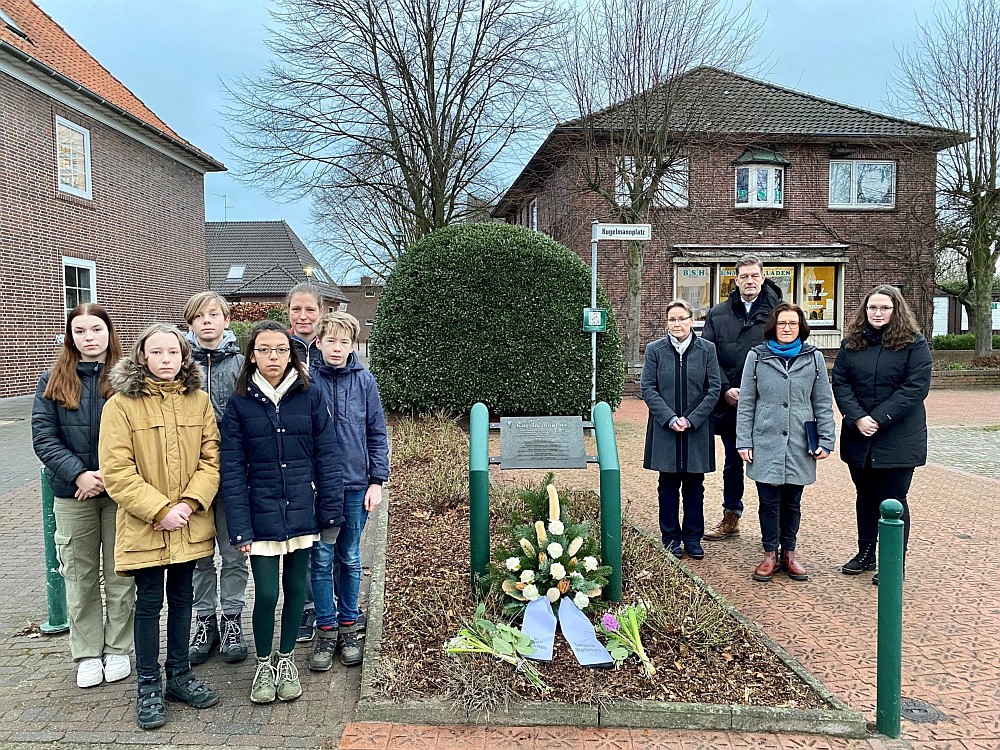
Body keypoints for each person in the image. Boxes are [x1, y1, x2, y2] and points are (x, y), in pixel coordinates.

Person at [99, 324, 220, 730]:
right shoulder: (120, 405)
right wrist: (159, 510)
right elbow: (116, 471)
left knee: (183, 597)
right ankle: (149, 684)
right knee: (149, 603)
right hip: (147, 525)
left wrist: (187, 504)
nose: (166, 360)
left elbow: (211, 459)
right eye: (158, 353)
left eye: (174, 352)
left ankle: (180, 675)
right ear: (143, 357)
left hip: (188, 521)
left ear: (184, 357)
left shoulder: (198, 402)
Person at [220, 321, 344, 704]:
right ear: (251, 354)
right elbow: (232, 469)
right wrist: (239, 528)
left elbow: (328, 457)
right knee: (267, 593)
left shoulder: (309, 396)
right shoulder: (240, 403)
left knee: (295, 590)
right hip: (261, 515)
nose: (273, 357)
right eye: (264, 349)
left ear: (291, 354)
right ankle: (263, 663)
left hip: (302, 511)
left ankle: (286, 659)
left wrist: (331, 514)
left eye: (280, 349)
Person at [31, 303, 135, 689]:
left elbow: (140, 433)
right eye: (80, 331)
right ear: (71, 337)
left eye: (96, 329)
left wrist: (113, 475)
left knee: (120, 572)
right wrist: (79, 473)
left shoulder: (128, 378)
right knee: (79, 575)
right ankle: (89, 652)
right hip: (73, 493)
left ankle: (118, 648)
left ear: (109, 332)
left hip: (121, 491)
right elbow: (44, 436)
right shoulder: (53, 381)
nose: (89, 337)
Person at [832, 285, 932, 585]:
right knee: (865, 496)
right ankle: (866, 552)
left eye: (884, 308)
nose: (877, 313)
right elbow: (841, 382)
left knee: (894, 500)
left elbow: (915, 388)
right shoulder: (851, 344)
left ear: (895, 310)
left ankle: (893, 562)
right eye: (872, 308)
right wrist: (857, 417)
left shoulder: (914, 345)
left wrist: (878, 417)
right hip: (859, 435)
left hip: (898, 437)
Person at [309, 312, 389, 671]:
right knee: (322, 559)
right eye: (331, 341)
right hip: (320, 488)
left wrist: (377, 480)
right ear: (319, 343)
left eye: (345, 342)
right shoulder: (307, 381)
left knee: (351, 557)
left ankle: (349, 625)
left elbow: (376, 432)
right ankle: (325, 630)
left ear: (353, 344)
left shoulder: (365, 381)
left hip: (357, 485)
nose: (337, 349)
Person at [736, 303, 835, 583]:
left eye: (792, 323)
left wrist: (826, 439)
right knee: (768, 502)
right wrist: (744, 440)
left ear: (801, 327)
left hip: (800, 441)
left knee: (792, 502)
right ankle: (769, 554)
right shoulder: (757, 356)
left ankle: (788, 554)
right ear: (773, 327)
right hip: (765, 439)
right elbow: (746, 403)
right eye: (782, 324)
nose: (787, 328)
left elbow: (823, 401)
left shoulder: (813, 357)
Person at [184, 292, 250, 665]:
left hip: (232, 475)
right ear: (190, 323)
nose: (207, 321)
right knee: (198, 555)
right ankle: (204, 619)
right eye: (199, 316)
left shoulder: (242, 365)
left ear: (226, 320)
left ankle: (232, 619)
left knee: (233, 551)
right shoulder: (178, 364)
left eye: (214, 314)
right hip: (190, 477)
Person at [701, 255, 783, 541]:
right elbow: (708, 355)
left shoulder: (779, 314)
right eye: (744, 276)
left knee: (770, 463)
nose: (749, 281)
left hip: (769, 404)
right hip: (731, 403)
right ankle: (731, 516)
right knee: (733, 462)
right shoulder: (718, 314)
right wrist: (725, 388)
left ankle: (772, 528)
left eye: (754, 276)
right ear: (735, 280)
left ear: (762, 278)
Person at [640, 300, 721, 560]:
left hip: (696, 430)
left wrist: (692, 419)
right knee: (667, 485)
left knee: (695, 486)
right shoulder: (655, 350)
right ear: (667, 323)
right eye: (672, 319)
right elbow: (648, 388)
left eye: (681, 318)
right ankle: (671, 538)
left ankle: (693, 538)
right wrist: (670, 418)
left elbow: (713, 389)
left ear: (691, 320)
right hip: (666, 429)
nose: (677, 324)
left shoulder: (707, 349)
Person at [286, 282, 324, 641]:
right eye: (297, 309)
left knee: (327, 540)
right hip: (292, 456)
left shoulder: (331, 349)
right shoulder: (280, 350)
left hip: (326, 453)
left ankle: (328, 608)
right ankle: (302, 608)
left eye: (309, 310)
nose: (303, 316)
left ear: (321, 312)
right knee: (298, 538)